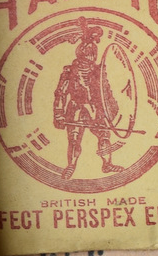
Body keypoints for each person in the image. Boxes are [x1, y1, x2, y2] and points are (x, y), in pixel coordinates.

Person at [53, 32, 125, 178]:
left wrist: (111, 113)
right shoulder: (69, 71)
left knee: (104, 136)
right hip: (76, 109)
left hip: (95, 108)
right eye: (88, 53)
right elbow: (60, 93)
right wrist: (59, 114)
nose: (91, 56)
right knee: (74, 139)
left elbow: (106, 92)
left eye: (93, 53)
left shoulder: (98, 70)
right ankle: (71, 166)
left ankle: (107, 164)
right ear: (81, 54)